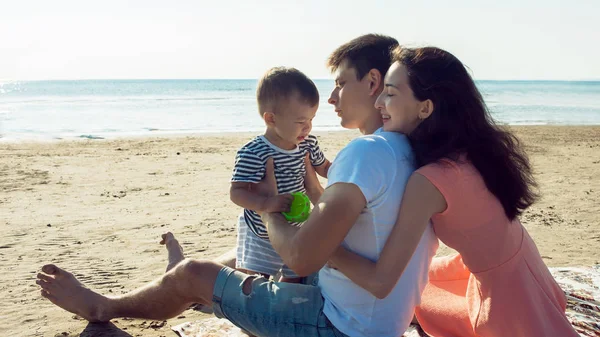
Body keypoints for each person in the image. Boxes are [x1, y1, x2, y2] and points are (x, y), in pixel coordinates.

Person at [34, 34, 438, 337]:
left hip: (340, 323)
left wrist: (266, 205)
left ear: (371, 83)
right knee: (237, 254)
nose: (331, 98)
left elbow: (301, 258)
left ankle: (105, 306)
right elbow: (357, 231)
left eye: (340, 83)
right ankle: (178, 283)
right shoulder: (407, 149)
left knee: (196, 272)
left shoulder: (367, 152)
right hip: (377, 316)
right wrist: (314, 199)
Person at [326, 46, 579, 337]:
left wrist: (327, 250)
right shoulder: (469, 149)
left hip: (506, 299)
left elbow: (382, 282)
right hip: (523, 268)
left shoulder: (429, 180)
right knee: (425, 289)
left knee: (416, 296)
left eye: (391, 93)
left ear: (425, 108)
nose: (379, 102)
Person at [230, 66, 330, 283]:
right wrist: (265, 204)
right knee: (255, 281)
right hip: (260, 231)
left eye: (311, 119)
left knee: (295, 275)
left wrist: (346, 173)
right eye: (300, 122)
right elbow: (236, 192)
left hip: (297, 225)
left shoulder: (308, 144)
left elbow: (324, 167)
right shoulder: (254, 152)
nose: (308, 128)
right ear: (271, 119)